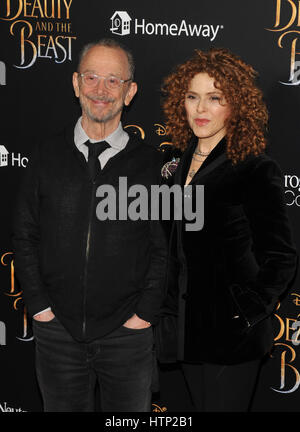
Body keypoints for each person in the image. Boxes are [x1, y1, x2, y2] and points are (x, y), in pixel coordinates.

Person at [12, 38, 167, 412]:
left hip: (127, 338)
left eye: (114, 81)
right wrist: (40, 309)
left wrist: (143, 315)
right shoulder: (46, 156)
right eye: (92, 77)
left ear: (129, 93)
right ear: (76, 83)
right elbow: (24, 234)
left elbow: (163, 250)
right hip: (56, 331)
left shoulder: (154, 168)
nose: (101, 90)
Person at [160, 48, 298, 412]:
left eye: (214, 98)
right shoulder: (177, 164)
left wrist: (248, 311)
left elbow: (281, 255)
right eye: (192, 97)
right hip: (187, 332)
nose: (201, 109)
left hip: (233, 335)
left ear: (235, 106)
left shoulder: (252, 167)